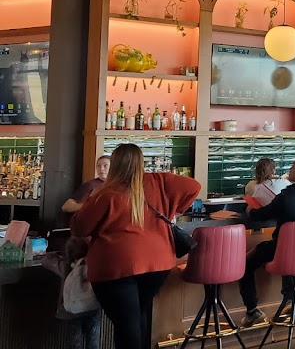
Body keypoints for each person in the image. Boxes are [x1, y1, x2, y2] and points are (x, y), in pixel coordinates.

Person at [71, 143, 200, 349]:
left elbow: (79, 228)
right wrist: (174, 210)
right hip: (158, 264)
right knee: (138, 315)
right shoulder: (159, 181)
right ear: (141, 162)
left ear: (115, 164)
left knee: (126, 324)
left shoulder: (106, 194)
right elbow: (194, 187)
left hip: (116, 268)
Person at [239, 153, 295, 327]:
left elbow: (261, 215)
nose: (289, 169)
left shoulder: (287, 196)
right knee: (292, 252)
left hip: (284, 252)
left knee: (245, 263)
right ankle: (289, 299)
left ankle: (252, 311)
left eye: (293, 166)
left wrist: (250, 210)